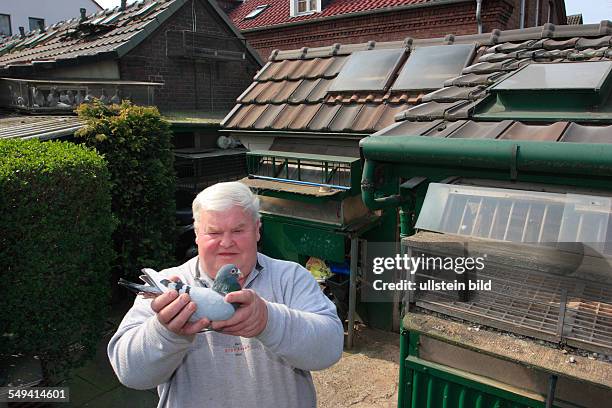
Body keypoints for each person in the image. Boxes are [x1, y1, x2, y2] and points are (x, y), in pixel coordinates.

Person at [108, 181, 344, 408]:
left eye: (238, 230)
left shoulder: (290, 277)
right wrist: (165, 332)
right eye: (214, 232)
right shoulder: (167, 287)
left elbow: (330, 349)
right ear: (197, 234)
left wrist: (268, 321)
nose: (226, 242)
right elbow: (130, 374)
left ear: (257, 230)